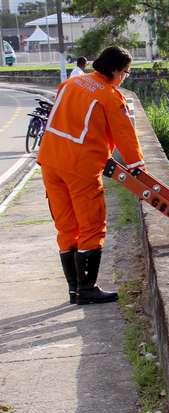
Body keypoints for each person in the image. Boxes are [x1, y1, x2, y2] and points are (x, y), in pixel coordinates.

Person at [37, 46, 144, 305]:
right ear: (116, 71)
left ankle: (74, 289)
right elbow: (124, 135)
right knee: (91, 225)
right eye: (126, 73)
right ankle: (87, 289)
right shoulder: (109, 96)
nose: (124, 77)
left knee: (65, 226)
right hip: (80, 166)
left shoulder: (70, 84)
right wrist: (137, 166)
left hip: (50, 161)